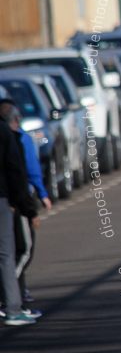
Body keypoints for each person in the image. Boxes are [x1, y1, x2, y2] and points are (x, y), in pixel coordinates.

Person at [0, 101, 47, 314]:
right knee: (21, 250)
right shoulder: (17, 139)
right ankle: (11, 301)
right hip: (13, 202)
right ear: (16, 120)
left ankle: (16, 296)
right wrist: (31, 207)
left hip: (10, 200)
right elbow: (24, 172)